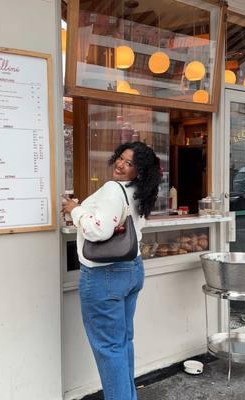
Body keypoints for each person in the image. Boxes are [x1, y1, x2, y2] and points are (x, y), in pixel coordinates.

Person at [62, 141, 161, 400]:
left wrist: (75, 210)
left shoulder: (112, 189)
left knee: (109, 348)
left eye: (129, 163)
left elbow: (98, 230)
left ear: (138, 171)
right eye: (121, 158)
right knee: (122, 343)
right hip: (132, 271)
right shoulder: (139, 191)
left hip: (104, 275)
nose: (120, 164)